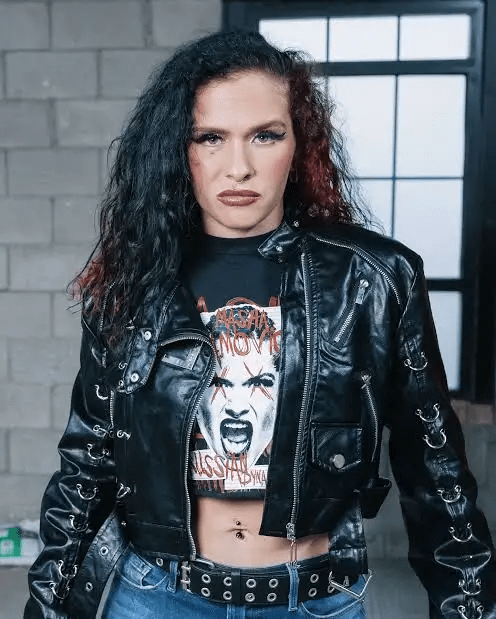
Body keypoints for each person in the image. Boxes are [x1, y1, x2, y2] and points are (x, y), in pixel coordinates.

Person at [24, 30, 495, 619]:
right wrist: (46, 605)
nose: (239, 167)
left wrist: (467, 604)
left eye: (265, 135)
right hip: (154, 595)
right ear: (178, 151)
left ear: (299, 145)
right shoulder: (135, 284)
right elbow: (87, 463)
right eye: (210, 138)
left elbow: (434, 467)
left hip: (310, 599)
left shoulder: (374, 278)